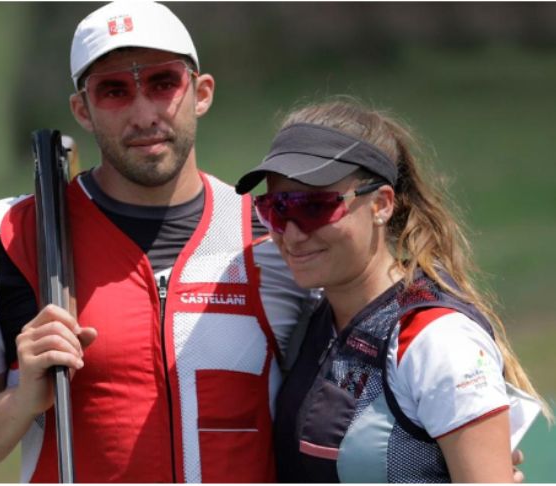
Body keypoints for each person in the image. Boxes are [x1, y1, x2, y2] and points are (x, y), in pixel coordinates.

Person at [0, 1, 313, 482]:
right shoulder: (8, 237)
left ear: (201, 93)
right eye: (114, 90)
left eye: (163, 83)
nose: (143, 115)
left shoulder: (276, 236)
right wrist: (20, 402)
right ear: (83, 109)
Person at [235, 98, 551, 483]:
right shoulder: (313, 314)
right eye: (276, 208)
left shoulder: (436, 338)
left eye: (315, 207)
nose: (294, 234)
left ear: (382, 204)